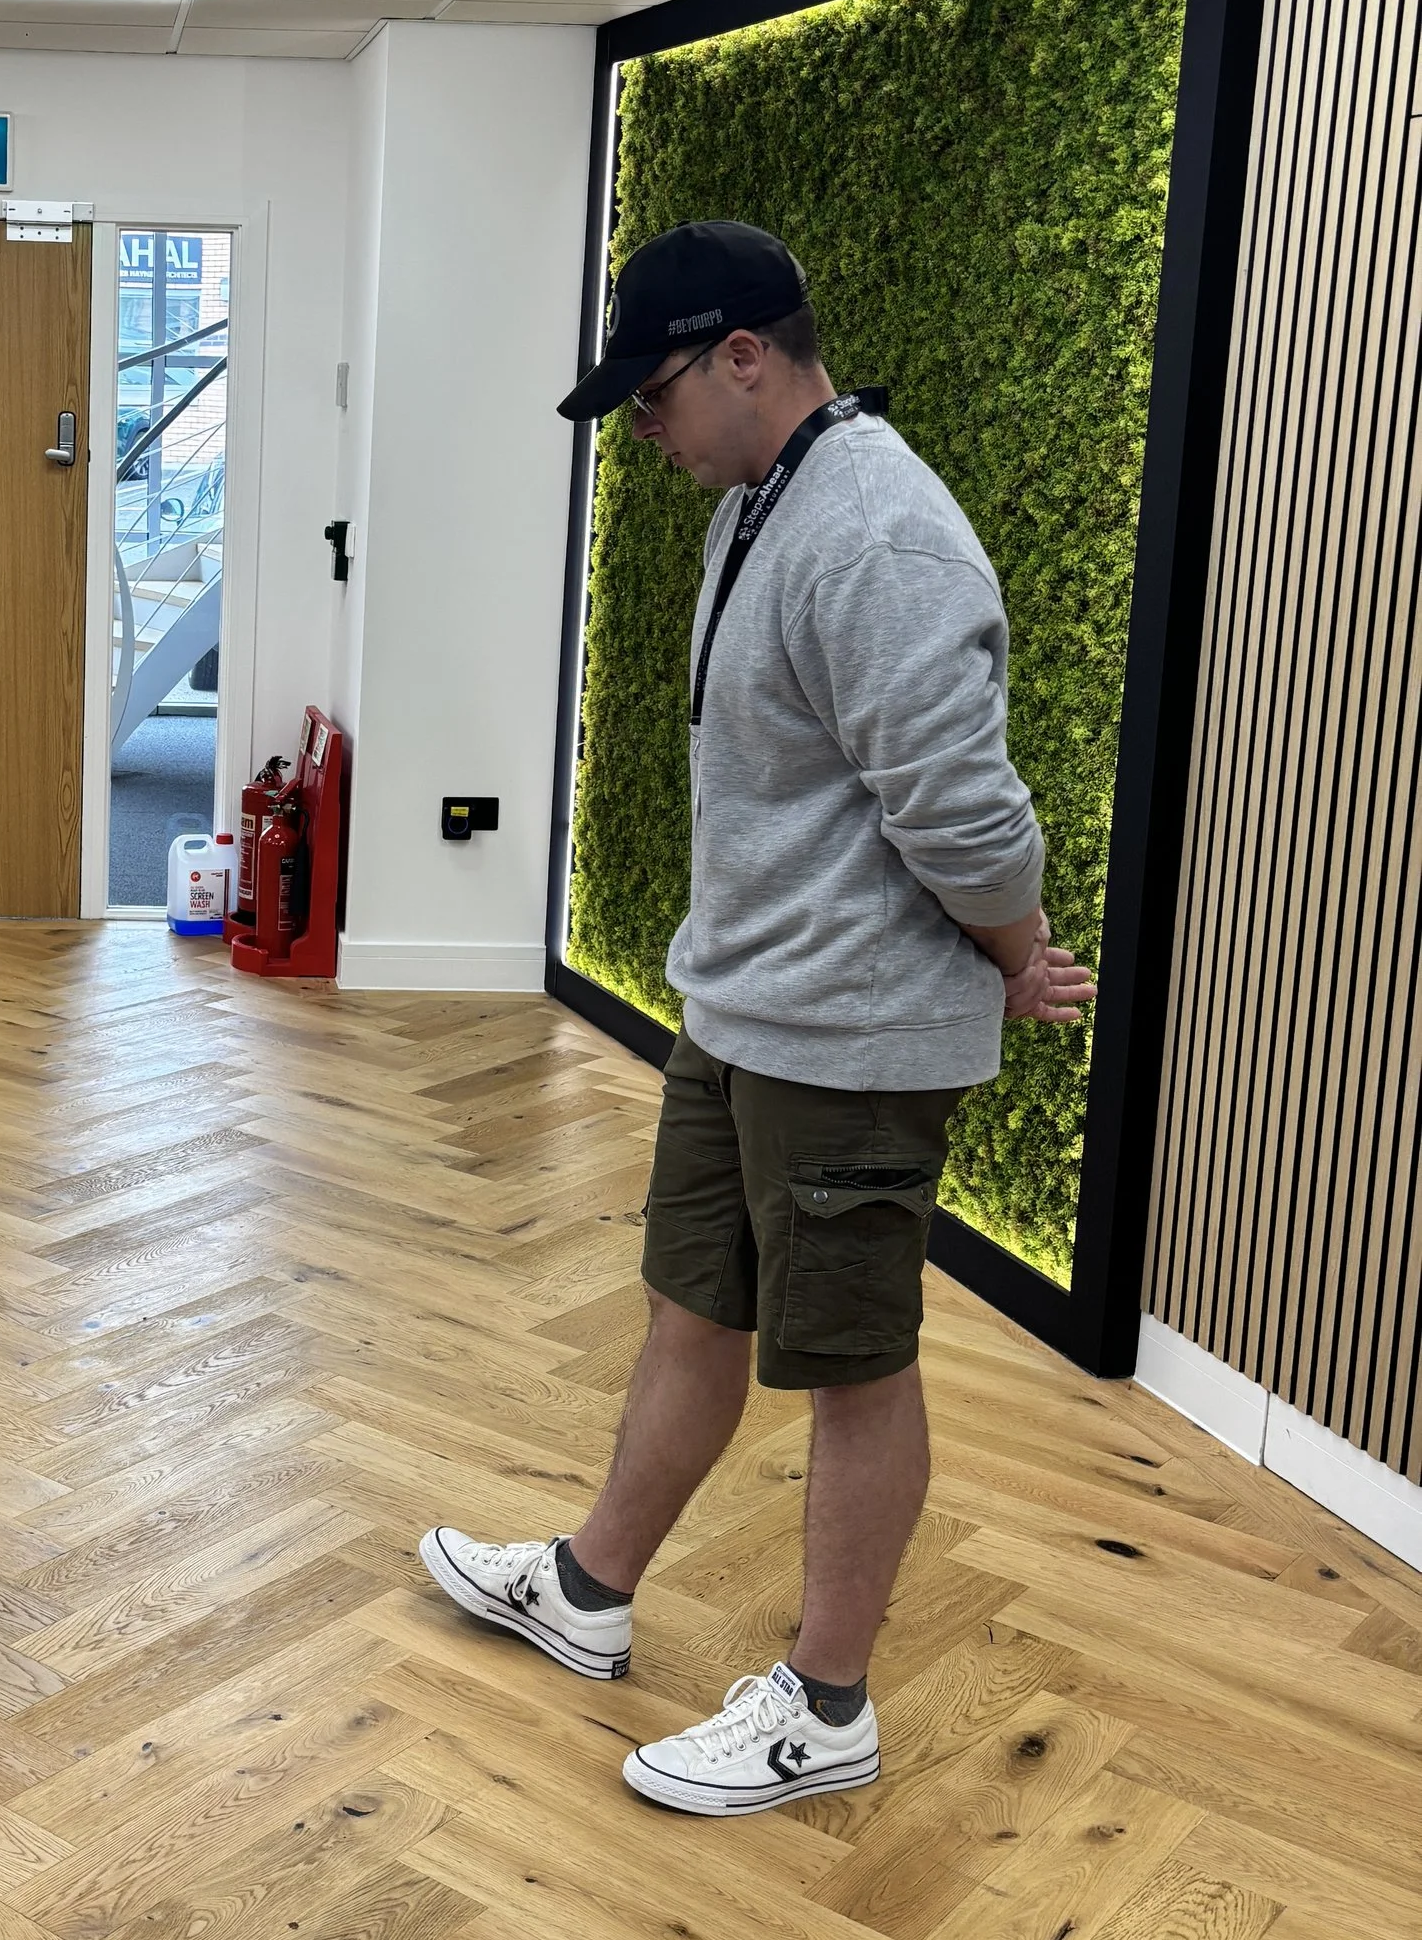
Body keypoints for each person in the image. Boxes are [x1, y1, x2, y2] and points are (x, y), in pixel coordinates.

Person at [422, 221, 1093, 1814]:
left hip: (850, 1039)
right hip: (747, 1006)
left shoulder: (879, 540)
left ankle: (828, 1705)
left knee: (855, 1367)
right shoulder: (763, 500)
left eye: (651, 399)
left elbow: (960, 807)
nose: (643, 436)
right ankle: (589, 1591)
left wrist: (1017, 946)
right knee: (690, 1311)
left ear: (744, 357)